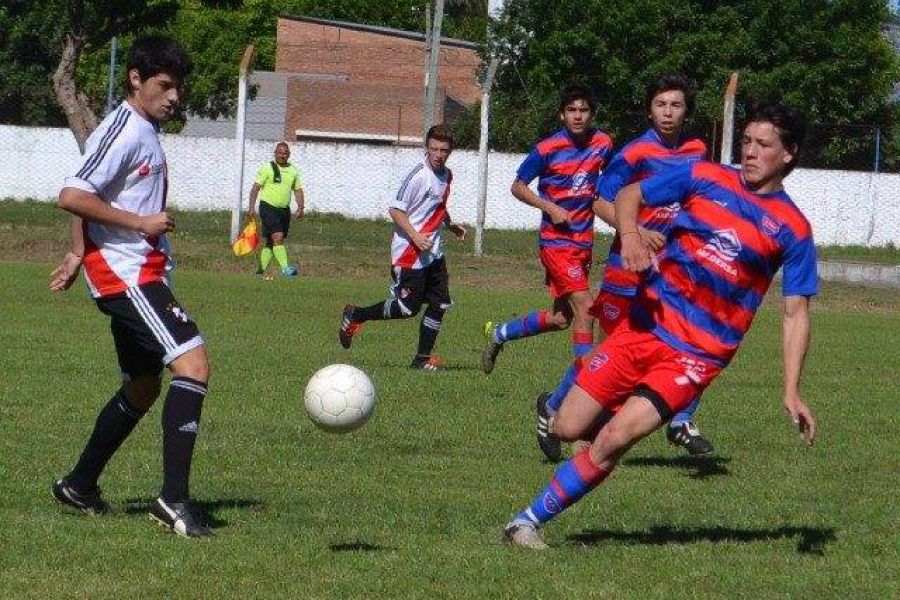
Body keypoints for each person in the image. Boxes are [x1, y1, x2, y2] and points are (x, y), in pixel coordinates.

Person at [503, 102, 819, 550]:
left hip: (696, 356)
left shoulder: (793, 228)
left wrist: (791, 389)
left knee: (615, 438)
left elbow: (796, 313)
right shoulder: (705, 176)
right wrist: (630, 235)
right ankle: (577, 416)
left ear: (788, 154)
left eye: (763, 145)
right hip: (645, 325)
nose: (749, 152)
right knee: (568, 427)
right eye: (746, 141)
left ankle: (525, 522)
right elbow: (631, 195)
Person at [49, 35, 214, 538]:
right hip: (127, 273)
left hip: (131, 269)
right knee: (194, 364)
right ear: (135, 79)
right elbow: (72, 195)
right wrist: (138, 225)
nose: (174, 97)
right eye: (165, 86)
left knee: (143, 387)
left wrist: (79, 249)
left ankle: (79, 485)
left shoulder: (140, 126)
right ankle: (173, 501)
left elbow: (87, 192)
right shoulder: (123, 130)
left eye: (178, 88)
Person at [536, 75, 711, 462]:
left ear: (686, 111)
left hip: (672, 271)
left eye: (676, 105)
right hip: (626, 271)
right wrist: (634, 230)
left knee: (693, 342)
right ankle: (553, 405)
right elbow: (598, 201)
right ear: (649, 110)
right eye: (661, 104)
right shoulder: (634, 153)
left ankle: (681, 421)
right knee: (605, 353)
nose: (668, 112)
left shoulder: (698, 150)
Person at [482, 85, 613, 374]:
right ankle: (585, 384)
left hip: (583, 243)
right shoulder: (546, 149)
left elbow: (614, 179)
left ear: (592, 115)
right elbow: (517, 186)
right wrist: (550, 208)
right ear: (561, 115)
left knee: (560, 319)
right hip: (556, 244)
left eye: (583, 110)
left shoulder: (603, 143)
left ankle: (500, 334)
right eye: (571, 110)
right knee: (586, 308)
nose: (577, 116)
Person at [338, 124, 466, 370]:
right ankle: (356, 314)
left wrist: (450, 224)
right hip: (410, 253)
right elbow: (396, 210)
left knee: (440, 305)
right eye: (434, 149)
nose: (439, 154)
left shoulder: (447, 175)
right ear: (426, 148)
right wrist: (416, 236)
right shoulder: (418, 175)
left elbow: (436, 206)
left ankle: (421, 360)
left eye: (444, 150)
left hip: (434, 253)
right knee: (407, 309)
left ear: (450, 151)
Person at [247, 141, 305, 278]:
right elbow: (255, 188)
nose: (282, 155)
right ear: (275, 154)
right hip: (268, 207)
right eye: (280, 153)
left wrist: (301, 207)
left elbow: (297, 190)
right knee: (278, 237)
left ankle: (259, 271)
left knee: (270, 242)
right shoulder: (267, 168)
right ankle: (286, 269)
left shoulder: (293, 170)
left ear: (289, 155)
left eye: (285, 153)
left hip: (284, 211)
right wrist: (251, 208)